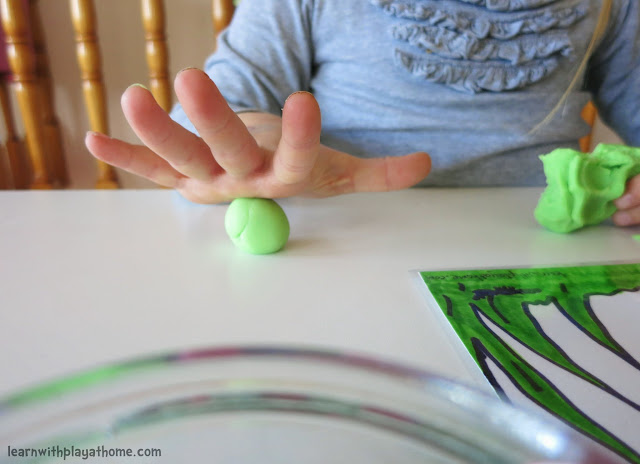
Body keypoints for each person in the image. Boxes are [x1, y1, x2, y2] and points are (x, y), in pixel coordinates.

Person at [85, 0, 640, 225]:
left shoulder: (609, 7)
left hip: (538, 245)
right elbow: (225, 102)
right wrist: (252, 141)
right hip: (336, 231)